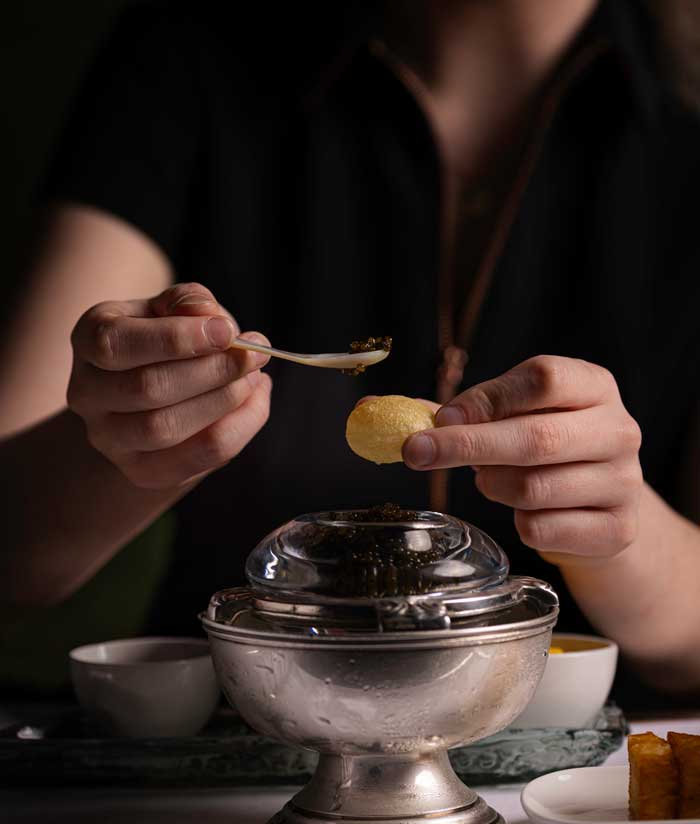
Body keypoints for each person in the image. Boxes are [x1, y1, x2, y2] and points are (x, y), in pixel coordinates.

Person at [1, 0, 699, 707]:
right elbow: (11, 558)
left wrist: (621, 537)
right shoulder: (195, 49)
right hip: (239, 755)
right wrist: (131, 440)